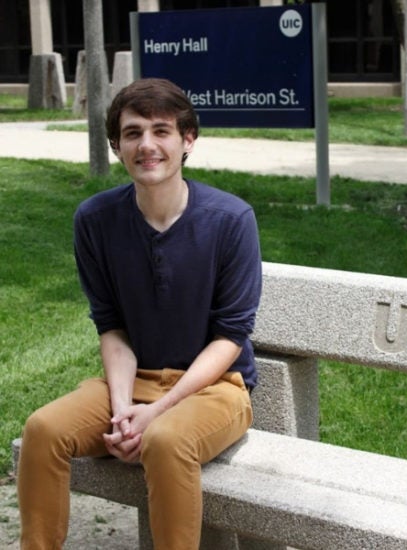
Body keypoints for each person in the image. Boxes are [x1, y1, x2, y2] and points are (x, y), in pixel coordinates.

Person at [17, 78, 262, 550]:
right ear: (117, 146)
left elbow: (230, 337)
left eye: (161, 130)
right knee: (43, 430)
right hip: (134, 380)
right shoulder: (95, 220)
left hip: (216, 388)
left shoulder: (231, 221)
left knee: (166, 441)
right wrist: (127, 408)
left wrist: (158, 413)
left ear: (187, 140)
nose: (146, 145)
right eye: (132, 133)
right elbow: (111, 326)